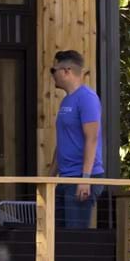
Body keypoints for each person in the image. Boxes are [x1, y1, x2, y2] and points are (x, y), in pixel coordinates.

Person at [50, 49, 106, 229]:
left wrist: (85, 179)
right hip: (65, 178)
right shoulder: (66, 101)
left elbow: (92, 138)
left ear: (66, 71)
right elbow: (63, 142)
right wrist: (51, 177)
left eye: (54, 70)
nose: (52, 75)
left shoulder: (87, 98)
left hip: (81, 178)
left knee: (75, 238)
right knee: (56, 236)